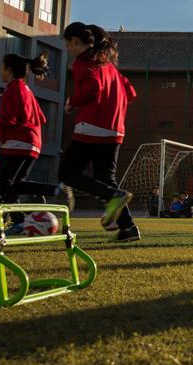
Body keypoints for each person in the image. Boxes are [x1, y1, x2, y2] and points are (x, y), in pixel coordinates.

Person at [58, 22, 140, 242]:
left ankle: (114, 196)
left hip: (91, 126)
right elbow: (130, 93)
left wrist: (72, 102)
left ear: (76, 42)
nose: (68, 49)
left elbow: (93, 87)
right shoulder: (110, 66)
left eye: (68, 45)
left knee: (67, 174)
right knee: (105, 178)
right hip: (115, 130)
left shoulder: (83, 63)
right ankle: (128, 228)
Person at [0, 53, 74, 235]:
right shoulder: (27, 90)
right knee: (15, 184)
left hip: (17, 142)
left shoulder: (11, 90)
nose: (0, 70)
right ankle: (55, 189)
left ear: (9, 70)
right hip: (33, 143)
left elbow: (10, 120)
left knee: (2, 182)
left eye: (1, 66)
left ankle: (19, 222)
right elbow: (42, 117)